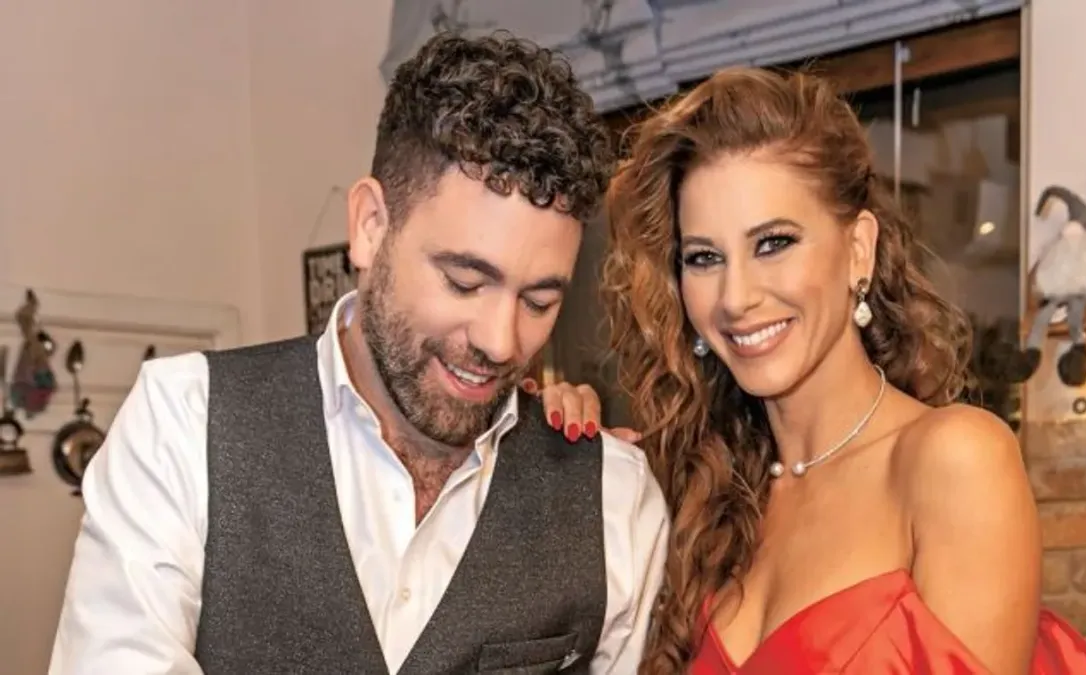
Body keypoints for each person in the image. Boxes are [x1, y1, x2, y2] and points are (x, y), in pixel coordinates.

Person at [49, 32, 668, 675]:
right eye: (464, 281)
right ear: (371, 226)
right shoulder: (182, 425)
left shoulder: (615, 496)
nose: (500, 341)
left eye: (539, 301)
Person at [538, 67, 1086, 674]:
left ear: (858, 249)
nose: (736, 297)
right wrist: (548, 455)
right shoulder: (703, 496)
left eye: (774, 243)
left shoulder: (954, 460)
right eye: (704, 257)